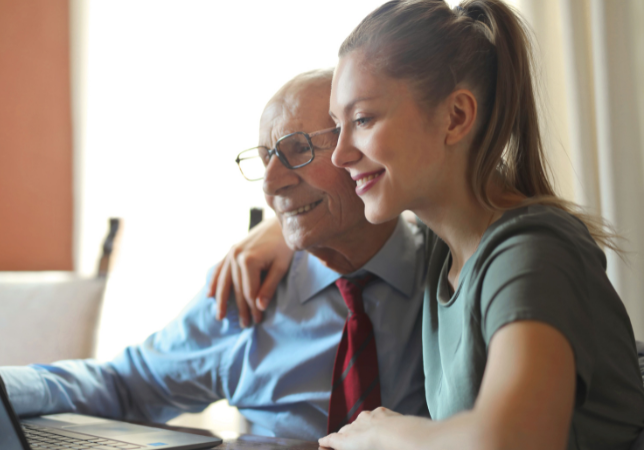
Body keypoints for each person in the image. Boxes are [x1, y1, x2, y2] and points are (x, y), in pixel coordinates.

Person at [0, 68, 430, 441]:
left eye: (297, 150)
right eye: (264, 157)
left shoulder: (455, 268)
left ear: (363, 146)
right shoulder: (248, 290)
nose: (270, 184)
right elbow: (125, 384)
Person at [213, 1, 644, 449]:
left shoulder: (532, 255)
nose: (341, 154)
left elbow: (515, 440)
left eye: (362, 120)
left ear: (455, 117)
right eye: (337, 127)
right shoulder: (448, 252)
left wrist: (384, 432)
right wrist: (288, 230)